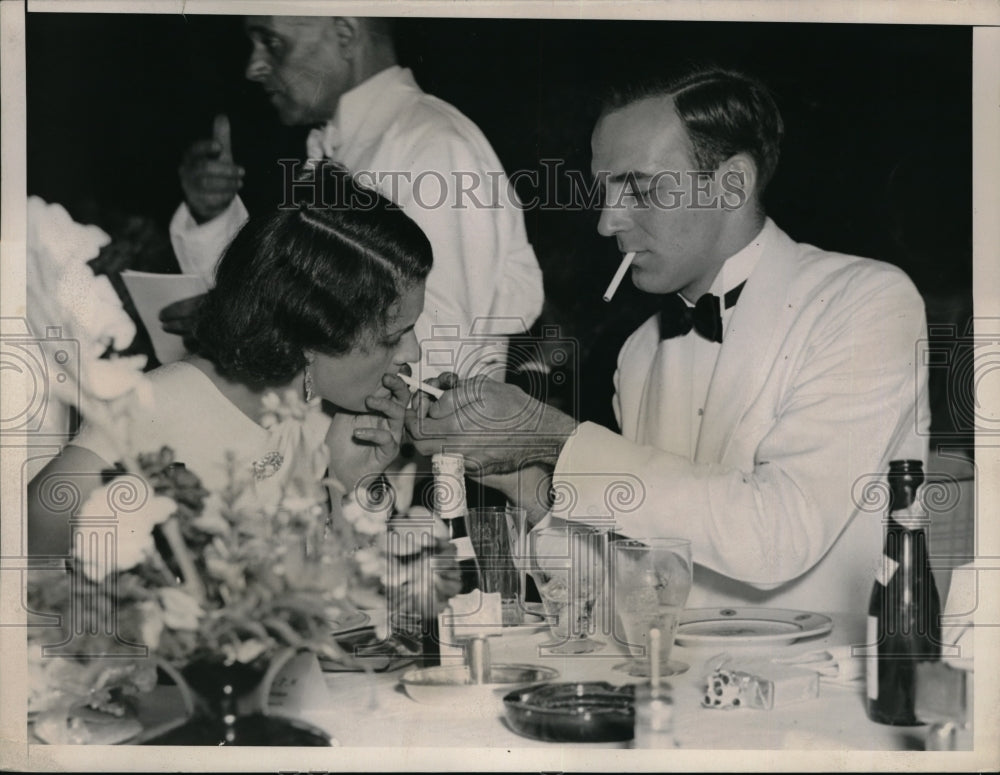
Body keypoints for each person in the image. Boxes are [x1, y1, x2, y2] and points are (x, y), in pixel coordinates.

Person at [406, 67, 931, 613]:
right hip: (673, 685)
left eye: (638, 186)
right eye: (605, 189)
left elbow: (777, 536)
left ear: (732, 184)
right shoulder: (639, 353)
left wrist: (551, 436)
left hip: (823, 689)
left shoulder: (865, 301)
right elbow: (632, 579)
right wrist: (523, 479)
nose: (608, 222)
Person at [28, 178, 430, 558]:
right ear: (311, 337)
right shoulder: (152, 408)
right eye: (394, 337)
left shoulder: (332, 422)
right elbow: (27, 545)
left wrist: (352, 486)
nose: (412, 354)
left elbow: (347, 605)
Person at [163, 15, 544, 378]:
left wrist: (247, 321)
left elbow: (434, 355)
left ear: (345, 34)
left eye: (272, 42)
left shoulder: (432, 147)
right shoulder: (340, 145)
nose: (254, 66)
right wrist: (212, 215)